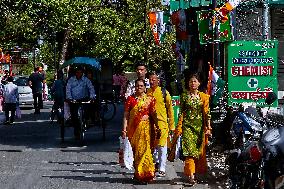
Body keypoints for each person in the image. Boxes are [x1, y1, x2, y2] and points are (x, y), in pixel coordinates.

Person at [173, 73, 211, 185]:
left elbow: (207, 113)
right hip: (187, 128)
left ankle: (196, 172)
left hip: (199, 129)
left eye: (195, 81)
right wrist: (179, 127)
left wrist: (208, 127)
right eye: (191, 81)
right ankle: (191, 176)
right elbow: (181, 113)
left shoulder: (204, 97)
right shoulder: (184, 96)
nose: (193, 83)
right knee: (189, 153)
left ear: (199, 83)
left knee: (198, 153)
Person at [121, 79, 158, 183]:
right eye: (137, 86)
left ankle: (146, 175)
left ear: (145, 87)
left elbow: (153, 115)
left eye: (141, 86)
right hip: (133, 130)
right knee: (136, 152)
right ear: (134, 87)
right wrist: (124, 129)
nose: (139, 87)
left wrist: (157, 126)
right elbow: (126, 115)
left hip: (146, 129)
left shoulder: (150, 99)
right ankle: (139, 173)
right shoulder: (130, 99)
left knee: (145, 151)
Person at [147, 72, 175, 177]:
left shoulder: (164, 93)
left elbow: (171, 110)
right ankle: (154, 164)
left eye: (154, 79)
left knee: (162, 146)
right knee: (153, 146)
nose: (151, 81)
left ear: (158, 81)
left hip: (162, 124)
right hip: (150, 124)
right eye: (150, 79)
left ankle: (162, 168)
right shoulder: (147, 92)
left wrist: (172, 126)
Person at [66, 66, 96, 139]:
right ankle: (76, 131)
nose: (78, 74)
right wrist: (69, 98)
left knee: (88, 109)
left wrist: (92, 96)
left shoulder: (86, 80)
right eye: (77, 72)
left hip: (84, 99)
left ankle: (87, 121)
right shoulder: (71, 80)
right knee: (74, 115)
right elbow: (68, 89)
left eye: (80, 72)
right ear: (75, 73)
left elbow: (91, 88)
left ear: (82, 73)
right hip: (74, 100)